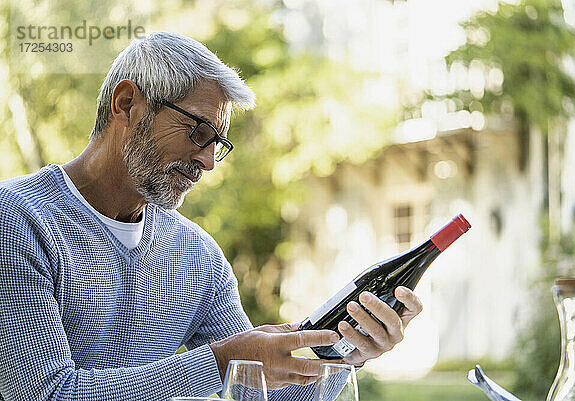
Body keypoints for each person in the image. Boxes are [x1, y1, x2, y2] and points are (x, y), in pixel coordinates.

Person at [0, 32, 423, 400]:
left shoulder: (196, 255)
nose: (208, 163)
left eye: (216, 143)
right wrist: (221, 362)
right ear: (127, 104)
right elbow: (45, 393)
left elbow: (260, 389)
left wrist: (350, 351)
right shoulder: (18, 219)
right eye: (198, 132)